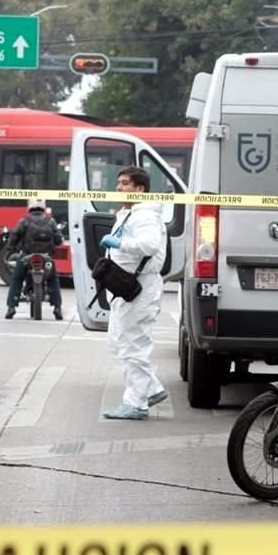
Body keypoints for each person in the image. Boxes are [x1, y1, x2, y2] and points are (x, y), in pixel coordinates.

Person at [101, 166, 168, 420]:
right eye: (119, 183)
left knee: (134, 345)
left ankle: (137, 402)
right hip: (129, 288)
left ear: (140, 188)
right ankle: (150, 390)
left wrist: (120, 244)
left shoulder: (144, 215)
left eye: (125, 183)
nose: (119, 188)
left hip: (139, 290)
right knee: (121, 343)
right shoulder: (131, 213)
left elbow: (149, 245)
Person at [5, 198, 64, 320]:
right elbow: (58, 240)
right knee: (53, 279)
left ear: (30, 207)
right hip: (46, 257)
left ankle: (11, 307)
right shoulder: (51, 221)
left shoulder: (24, 221)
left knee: (17, 278)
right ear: (43, 207)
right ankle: (57, 308)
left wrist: (10, 248)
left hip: (27, 257)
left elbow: (13, 237)